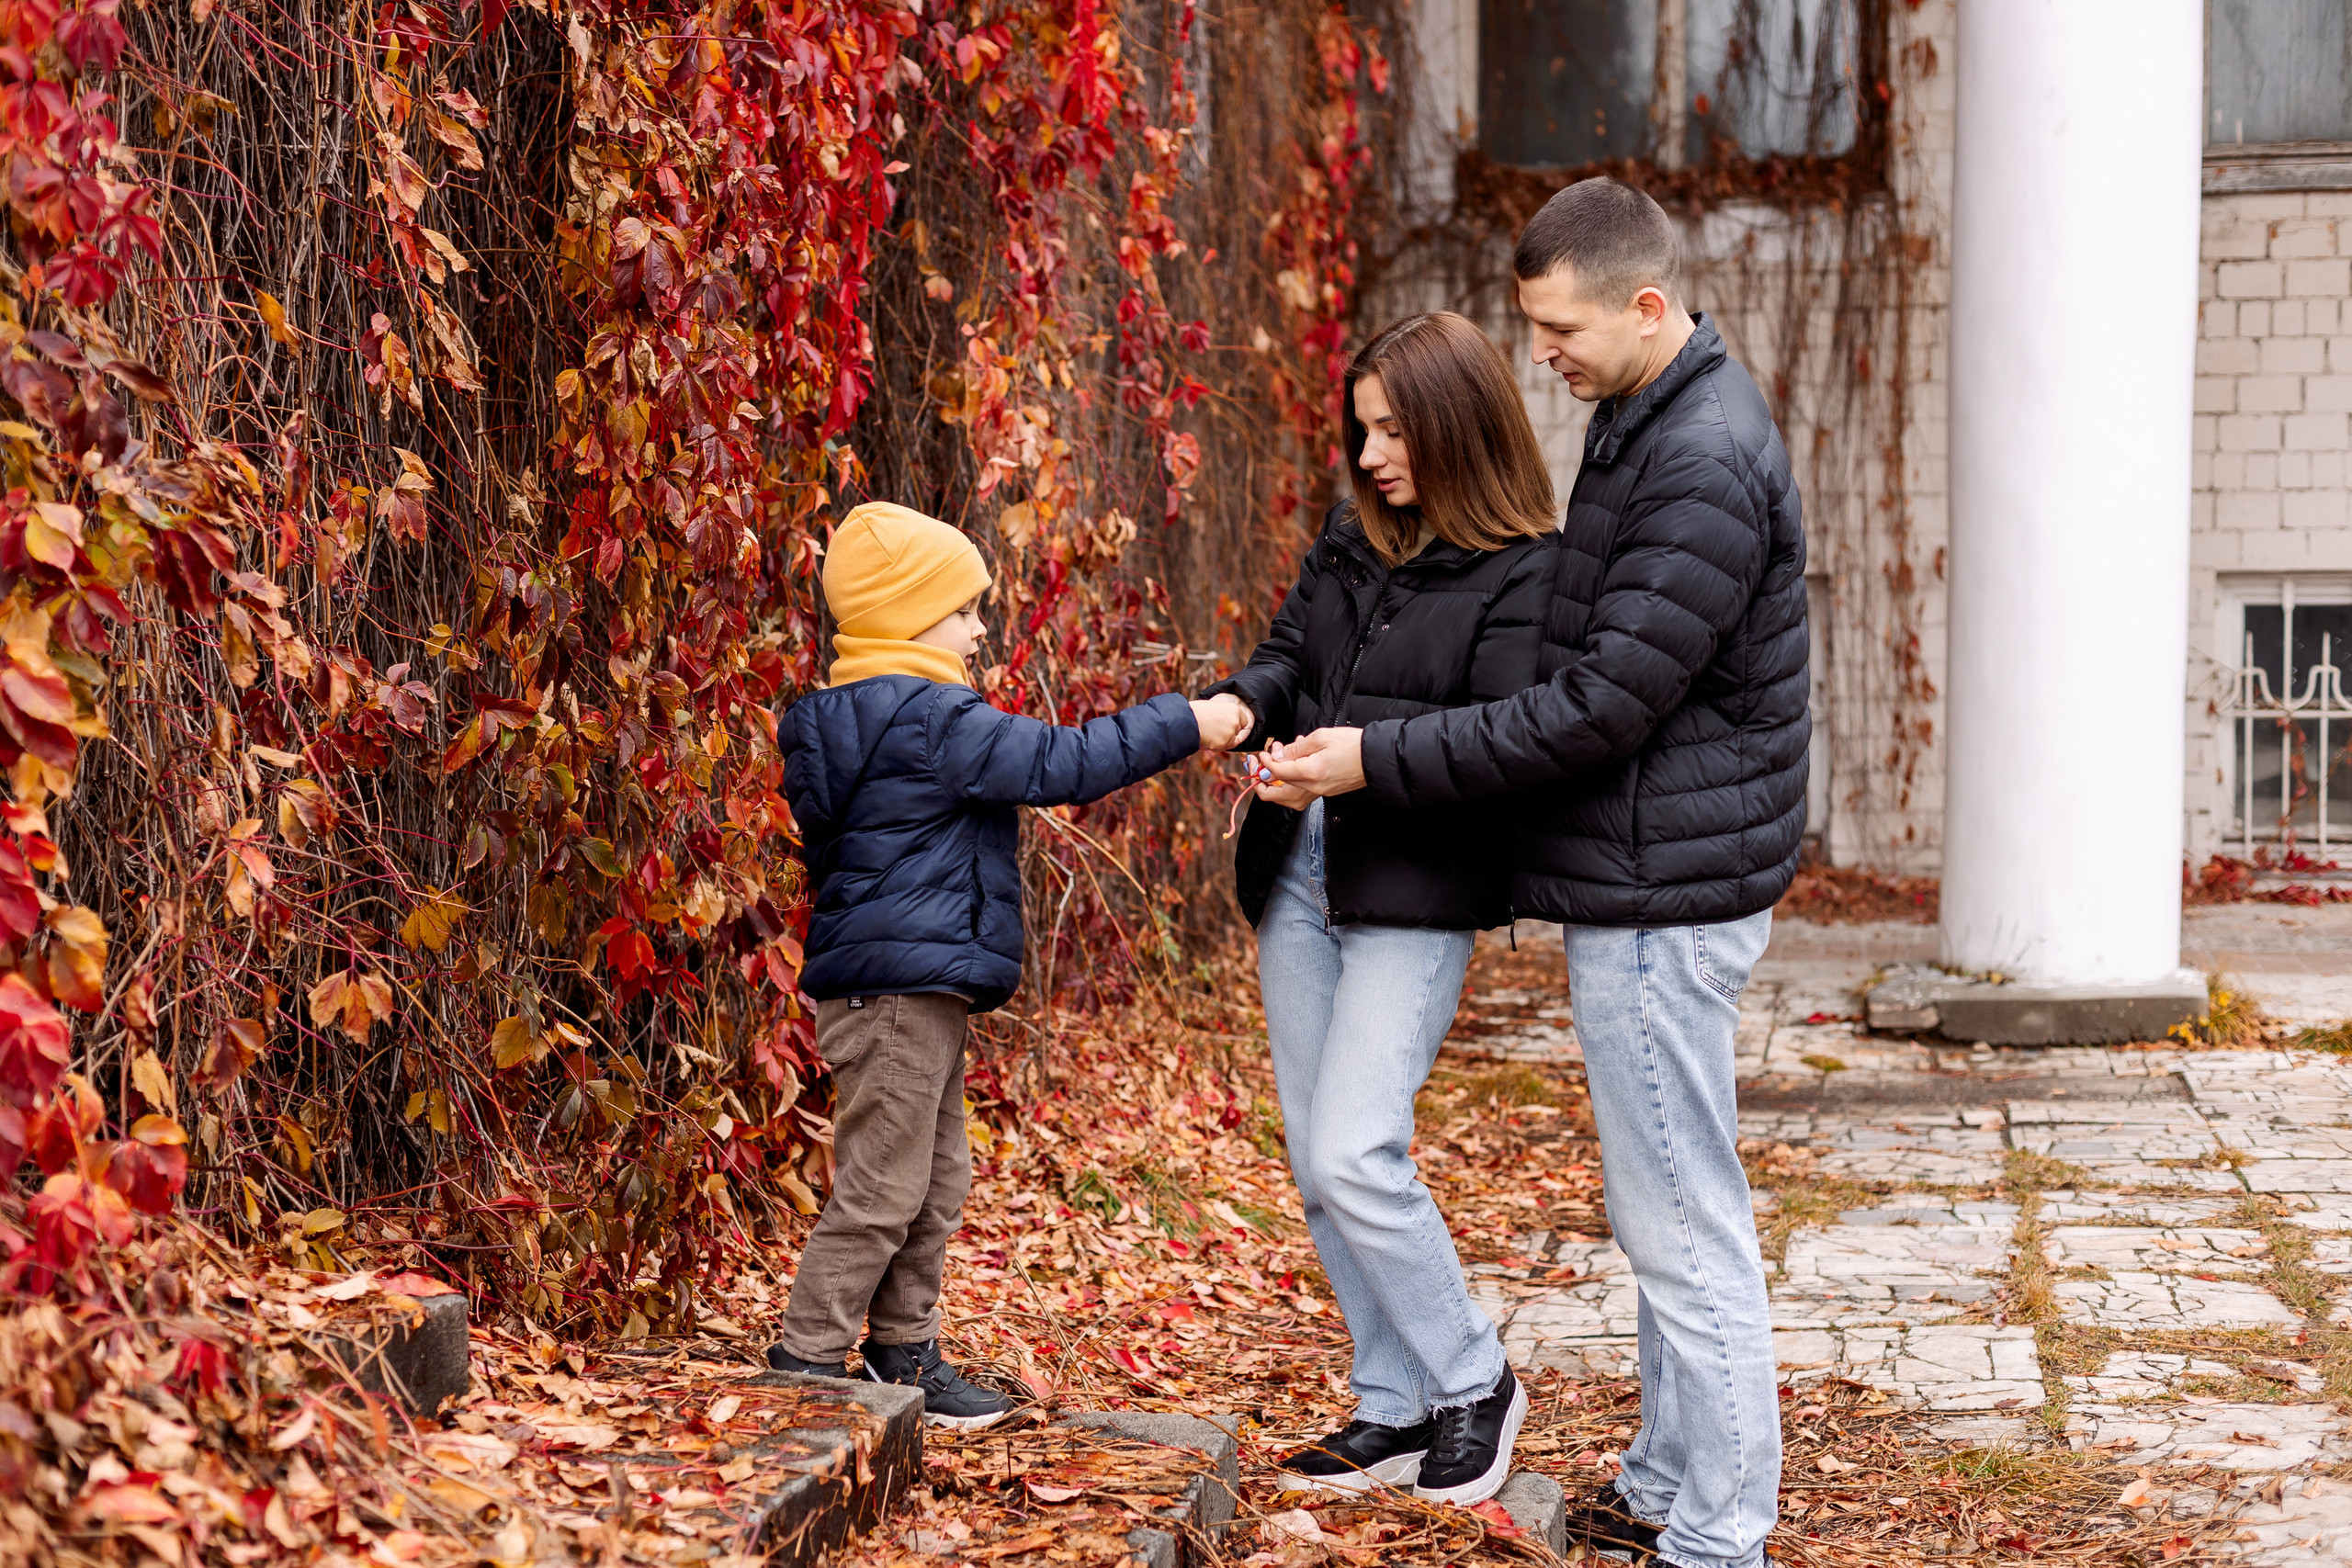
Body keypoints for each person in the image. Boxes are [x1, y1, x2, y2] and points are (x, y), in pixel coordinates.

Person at [1259, 179, 1808, 1568]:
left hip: (1664, 888)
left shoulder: (1695, 457)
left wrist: (1375, 760)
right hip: (1646, 873)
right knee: (1669, 1213)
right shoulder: (1645, 420)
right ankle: (1665, 1481)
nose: (1541, 354)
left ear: (1643, 305)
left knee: (1683, 1229)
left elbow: (1598, 703)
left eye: (1557, 328)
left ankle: (1721, 1534)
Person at [767, 501, 1250, 1428]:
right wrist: (1186, 720)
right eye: (962, 609)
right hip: (899, 992)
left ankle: (903, 1352)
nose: (980, 627)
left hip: (908, 987)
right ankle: (805, 1362)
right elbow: (1066, 762)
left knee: (933, 1179)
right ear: (909, 617)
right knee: (884, 1184)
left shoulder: (857, 716)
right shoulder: (931, 719)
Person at [1203, 312, 1558, 1506]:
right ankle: (1392, 1399)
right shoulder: (1352, 540)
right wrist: (1235, 712)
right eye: (1362, 432)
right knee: (1317, 1159)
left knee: (1359, 1143)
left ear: (1459, 426)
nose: (1370, 457)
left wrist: (1362, 759)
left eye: (1394, 430)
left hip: (1413, 890)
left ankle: (1473, 1378)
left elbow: (1502, 741)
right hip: (1297, 871)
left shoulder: (1526, 569)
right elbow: (1286, 657)